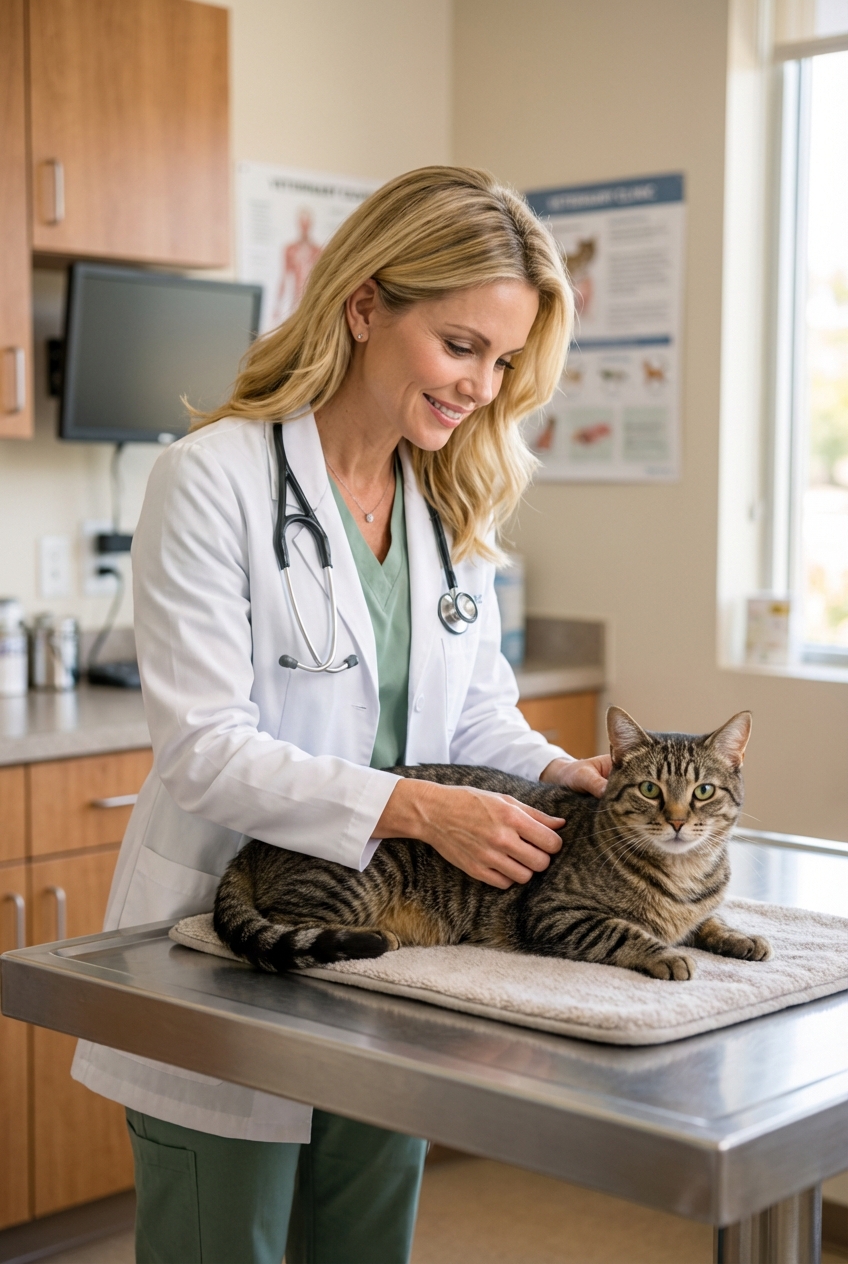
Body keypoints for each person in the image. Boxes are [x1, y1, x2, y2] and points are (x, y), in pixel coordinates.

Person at [72, 166, 611, 1264]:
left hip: (389, 958)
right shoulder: (211, 477)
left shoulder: (450, 499)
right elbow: (203, 751)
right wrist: (414, 810)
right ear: (365, 305)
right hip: (224, 944)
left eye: (503, 362)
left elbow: (473, 723)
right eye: (460, 346)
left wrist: (565, 778)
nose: (480, 386)